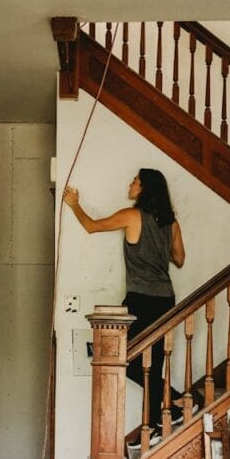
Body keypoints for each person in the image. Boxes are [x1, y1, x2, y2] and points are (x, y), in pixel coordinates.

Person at [63, 168, 191, 443]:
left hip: (140, 298)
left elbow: (91, 226)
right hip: (165, 298)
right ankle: (161, 421)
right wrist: (159, 245)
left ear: (144, 188)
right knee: (153, 364)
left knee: (126, 359)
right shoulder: (171, 223)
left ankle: (176, 401)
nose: (130, 184)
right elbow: (179, 259)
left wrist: (74, 205)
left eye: (134, 181)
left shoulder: (132, 216)